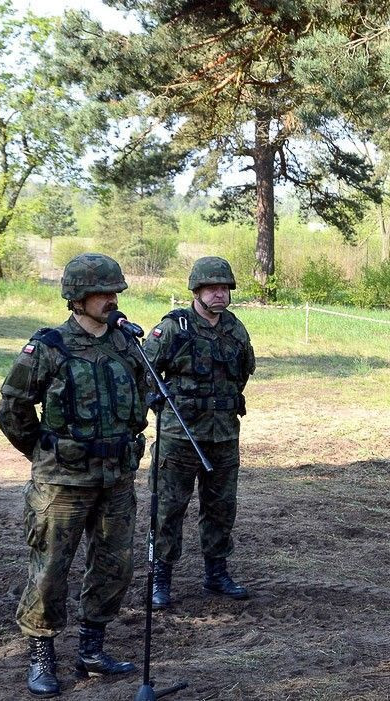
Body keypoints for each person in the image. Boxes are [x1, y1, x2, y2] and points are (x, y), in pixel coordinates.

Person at [0, 253, 149, 697]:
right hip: (62, 483)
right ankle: (42, 654)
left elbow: (142, 399)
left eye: (115, 291)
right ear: (77, 298)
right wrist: (46, 453)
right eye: (103, 292)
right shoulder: (48, 348)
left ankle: (92, 649)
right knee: (50, 570)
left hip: (116, 478)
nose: (112, 299)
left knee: (114, 565)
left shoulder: (126, 344)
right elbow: (12, 410)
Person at [142, 256, 255, 609]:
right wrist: (157, 398)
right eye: (212, 288)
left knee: (221, 507)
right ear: (196, 290)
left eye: (224, 288)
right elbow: (143, 368)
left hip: (223, 434)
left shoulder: (235, 328)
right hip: (179, 435)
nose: (220, 294)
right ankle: (161, 577)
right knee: (169, 507)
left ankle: (216, 572)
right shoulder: (173, 328)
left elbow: (242, 371)